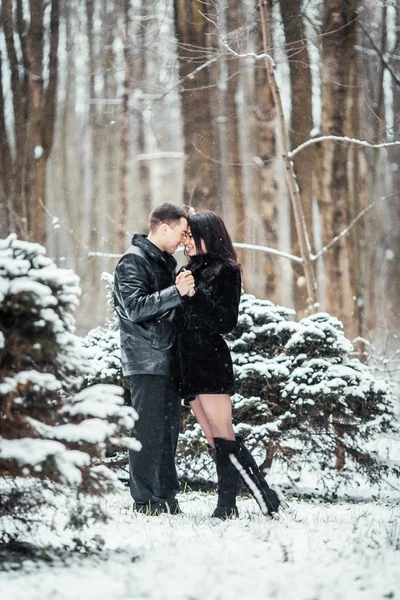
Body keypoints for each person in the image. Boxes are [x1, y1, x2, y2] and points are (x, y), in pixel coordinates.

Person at [177, 211, 282, 519]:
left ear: (207, 235)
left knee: (224, 435)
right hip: (188, 363)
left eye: (189, 236)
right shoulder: (188, 269)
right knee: (215, 439)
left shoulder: (227, 271)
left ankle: (228, 505)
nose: (185, 242)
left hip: (210, 360)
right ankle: (264, 496)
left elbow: (226, 322)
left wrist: (193, 295)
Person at [114, 203, 194, 515]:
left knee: (168, 431)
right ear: (163, 228)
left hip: (168, 359)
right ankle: (144, 500)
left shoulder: (163, 262)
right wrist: (175, 291)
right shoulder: (132, 262)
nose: (183, 239)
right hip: (146, 360)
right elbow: (135, 308)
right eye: (181, 232)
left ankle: (166, 496)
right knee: (146, 431)